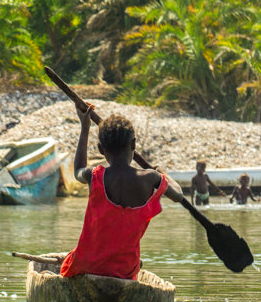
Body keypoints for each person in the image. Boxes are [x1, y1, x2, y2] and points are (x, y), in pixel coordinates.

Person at [60, 104, 184, 281]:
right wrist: (163, 173)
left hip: (87, 265)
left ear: (101, 150)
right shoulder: (151, 178)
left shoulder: (94, 176)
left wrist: (84, 126)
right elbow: (178, 195)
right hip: (126, 270)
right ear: (133, 144)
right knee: (137, 264)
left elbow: (78, 169)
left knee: (68, 260)